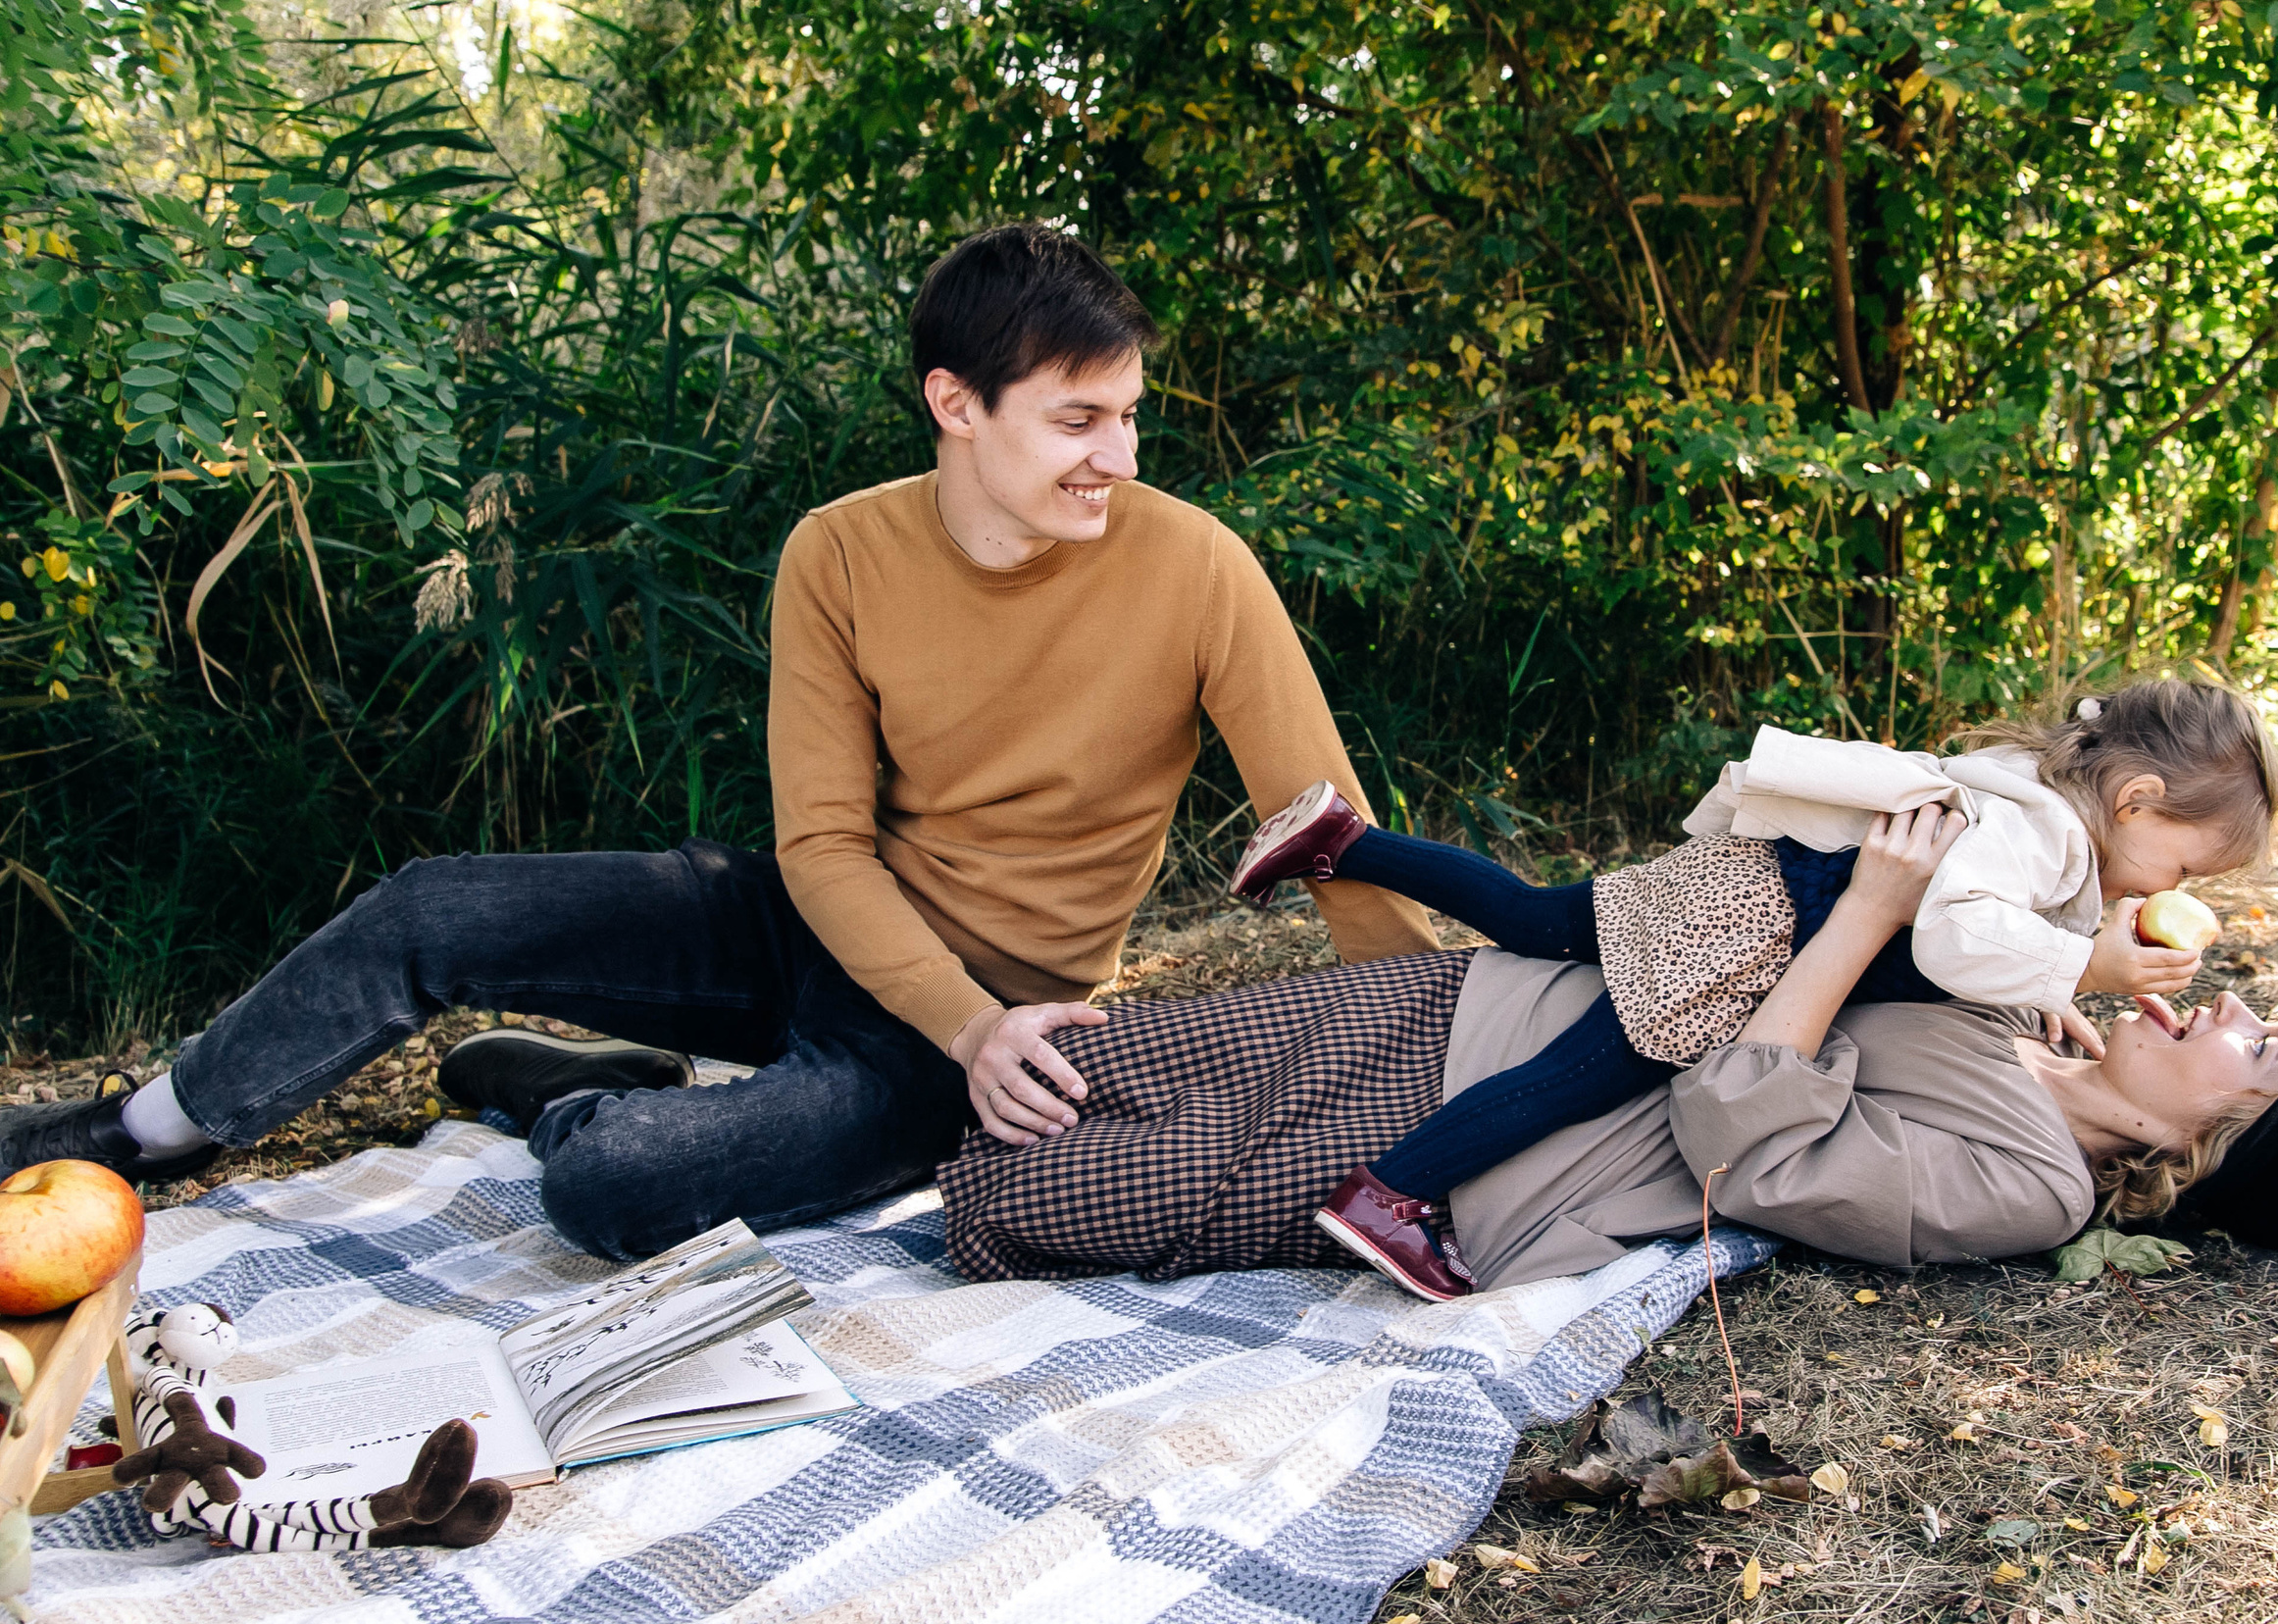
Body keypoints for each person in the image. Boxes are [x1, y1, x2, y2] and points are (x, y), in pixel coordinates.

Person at [0, 224, 1435, 1259]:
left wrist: (1441, 1046)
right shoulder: (839, 551)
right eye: (1078, 421)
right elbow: (821, 843)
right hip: (813, 922)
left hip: (988, 1030)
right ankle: (142, 1131)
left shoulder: (1194, 567)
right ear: (955, 404)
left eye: (1126, 418)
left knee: (614, 1187)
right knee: (432, 906)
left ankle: (581, 1090)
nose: (1117, 458)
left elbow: (1325, 828)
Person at [937, 804, 2278, 1294]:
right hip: (1478, 1002)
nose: (2234, 1009)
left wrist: (1866, 918)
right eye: (2267, 1013)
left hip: (1515, 1149)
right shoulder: (2027, 1014)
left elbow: (1746, 1136)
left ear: (2190, 1148)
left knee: (1020, 1198)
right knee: (1094, 1063)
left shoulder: (2026, 1187)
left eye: (2259, 1051)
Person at [1224, 681, 2278, 1296]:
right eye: (2185, 865)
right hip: (1751, 940)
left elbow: (1985, 929)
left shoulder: (2039, 797)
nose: (2174, 890)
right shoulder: (2046, 838)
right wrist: (2083, 966)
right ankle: (1390, 1196)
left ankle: (1343, 839)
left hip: (1747, 894)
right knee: (1581, 1077)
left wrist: (2059, 978)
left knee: (1536, 917)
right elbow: (1961, 935)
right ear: (2136, 800)